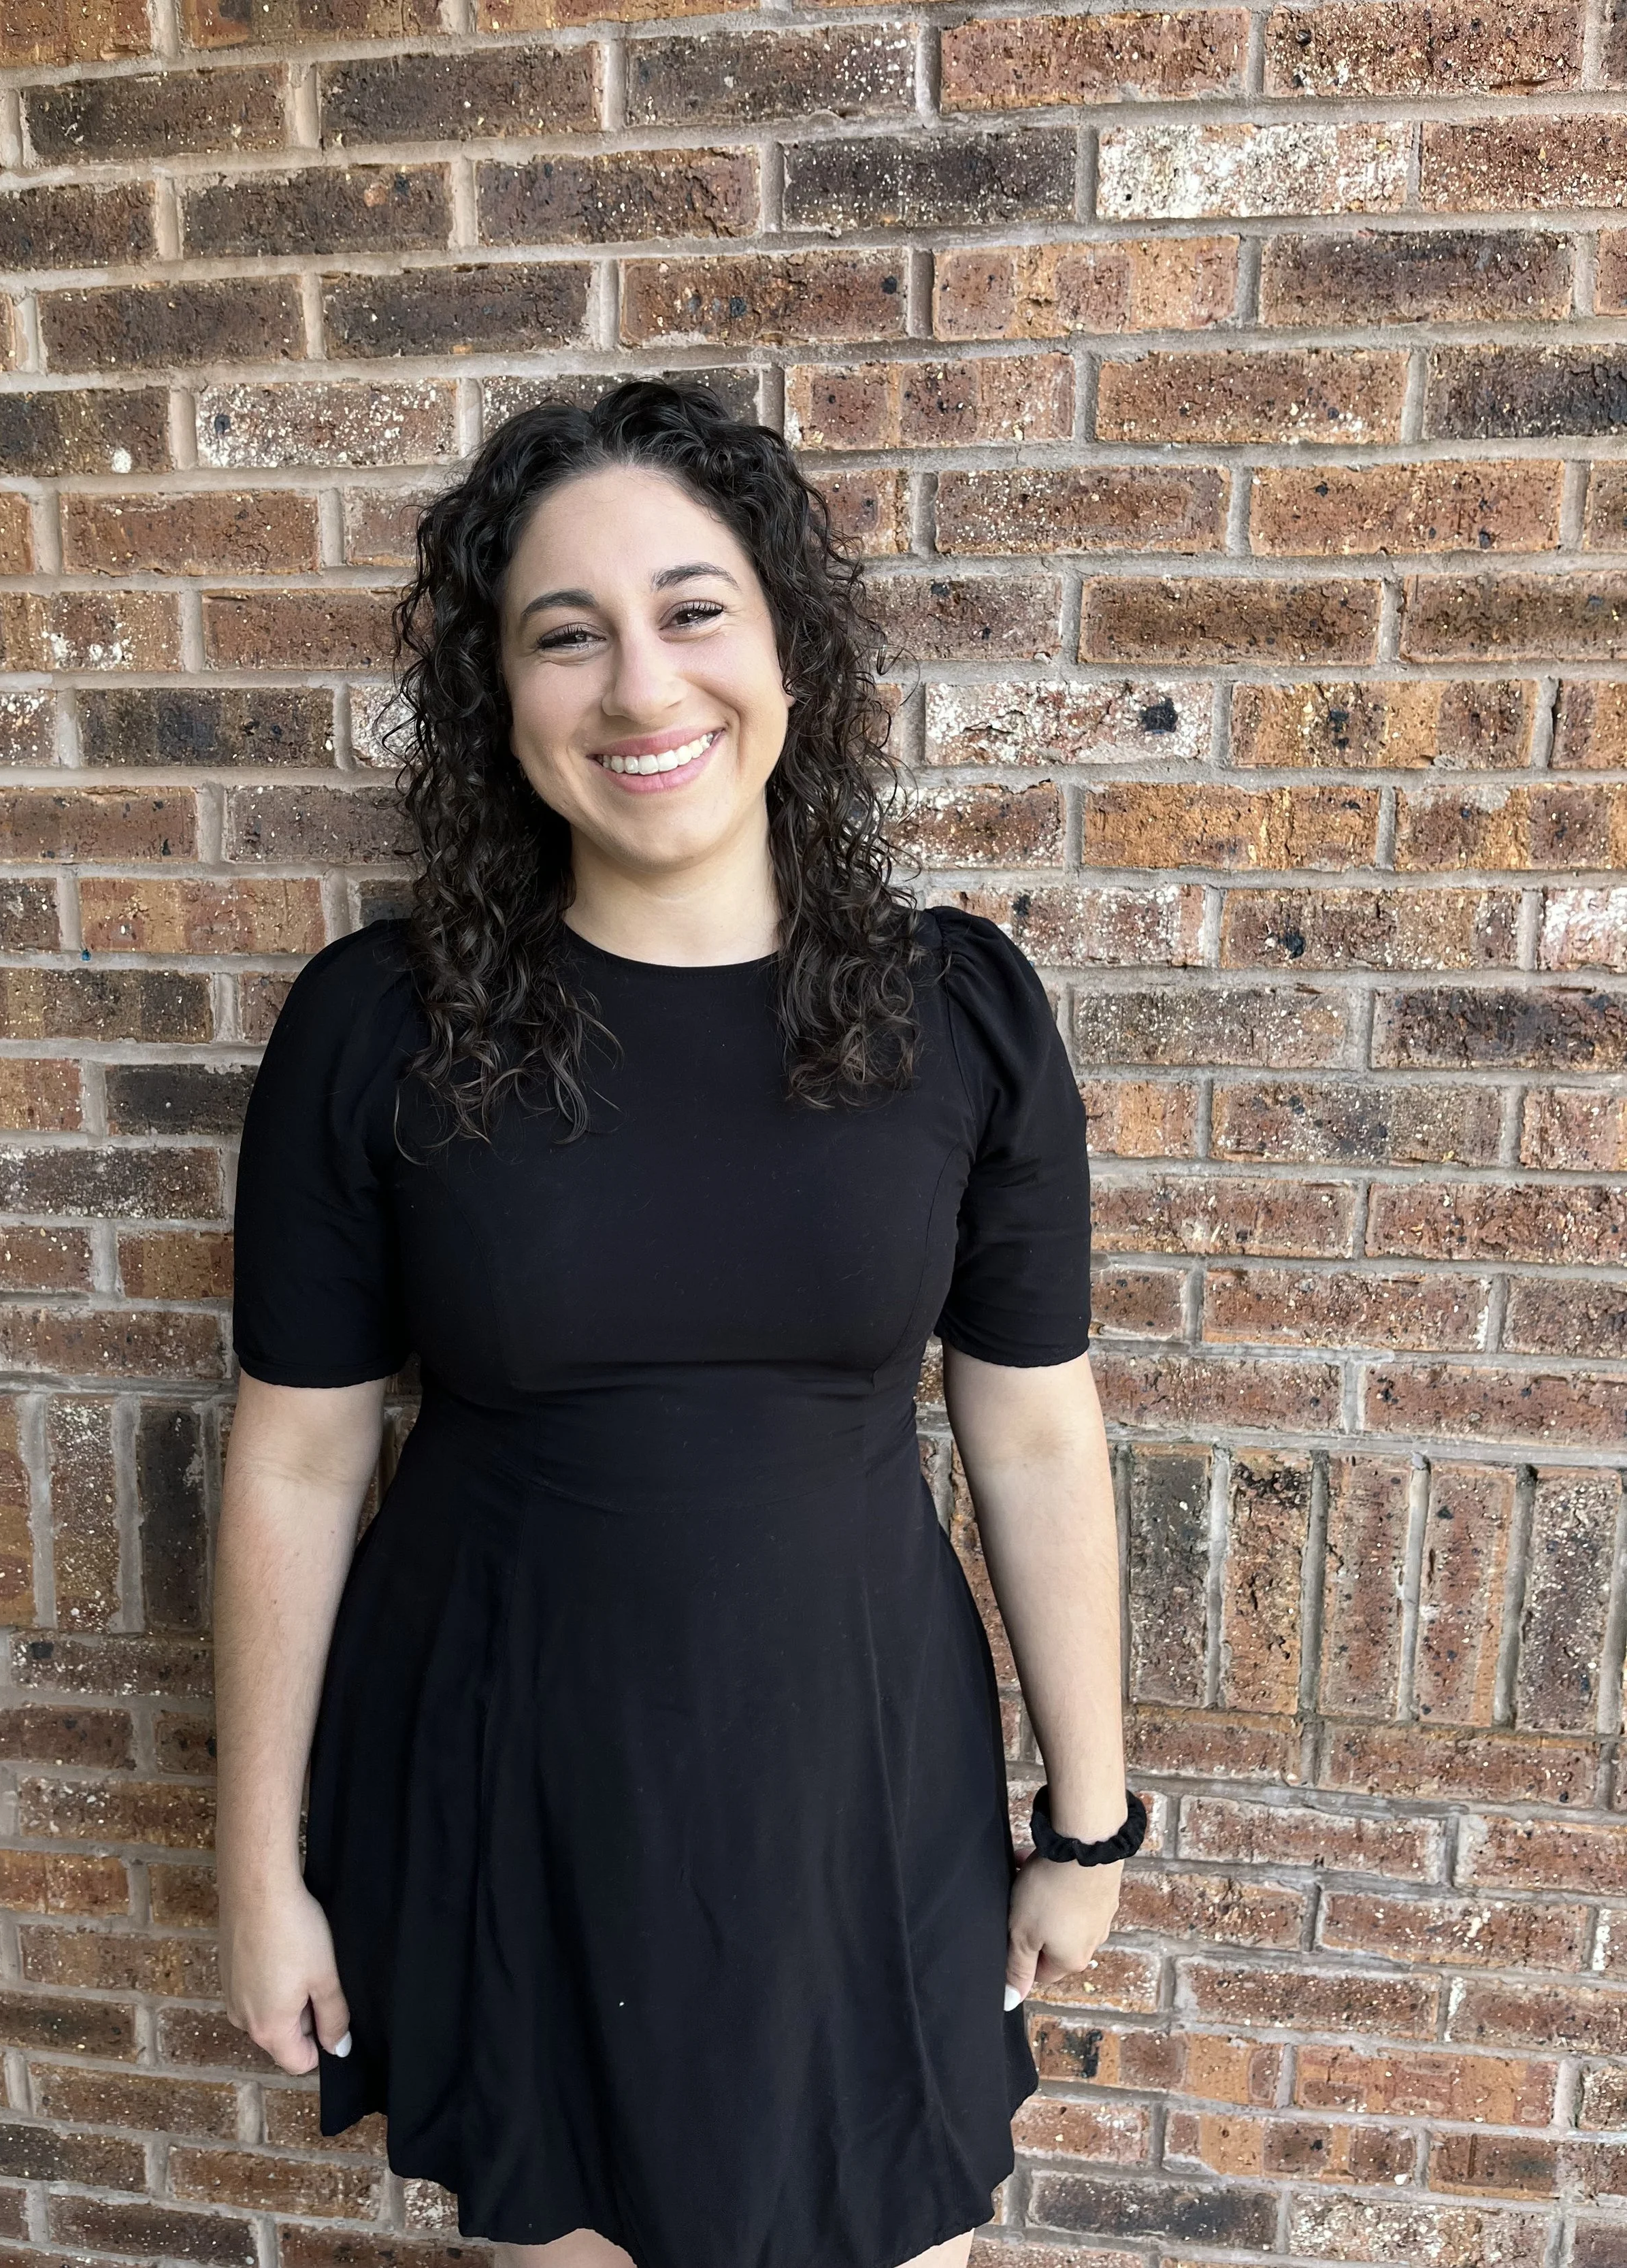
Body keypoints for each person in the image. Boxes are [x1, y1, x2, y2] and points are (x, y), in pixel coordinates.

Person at [213, 378, 1134, 2268]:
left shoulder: (956, 1011)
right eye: (568, 633)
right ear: (502, 696)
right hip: (509, 1789)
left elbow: (1034, 1429)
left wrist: (1088, 1820)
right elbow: (297, 1456)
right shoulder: (377, 1026)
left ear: (786, 643)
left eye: (693, 609)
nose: (642, 687)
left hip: (857, 1795)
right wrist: (259, 1865)